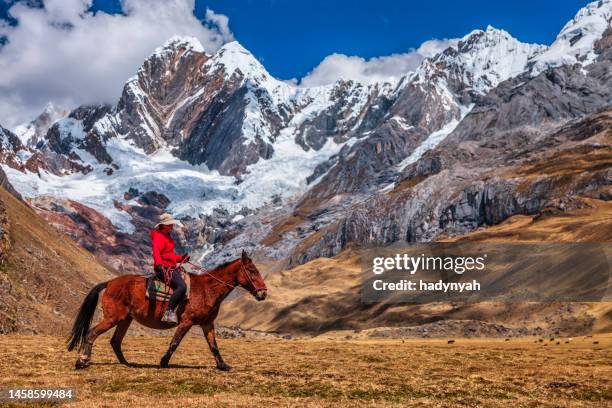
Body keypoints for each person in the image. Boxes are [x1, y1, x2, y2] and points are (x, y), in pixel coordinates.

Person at [151, 213, 190, 324]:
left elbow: (169, 255)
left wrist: (181, 258)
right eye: (170, 225)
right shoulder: (159, 236)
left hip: (169, 266)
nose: (172, 226)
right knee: (182, 286)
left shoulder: (166, 236)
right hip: (163, 268)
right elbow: (156, 251)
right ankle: (169, 312)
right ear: (163, 225)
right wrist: (159, 265)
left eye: (172, 224)